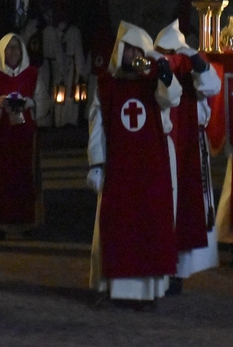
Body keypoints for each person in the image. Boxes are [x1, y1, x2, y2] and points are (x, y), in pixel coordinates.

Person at [86, 21, 182, 309]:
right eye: (126, 49)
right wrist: (96, 163)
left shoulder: (154, 82)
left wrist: (164, 73)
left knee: (148, 229)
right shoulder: (107, 84)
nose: (130, 55)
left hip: (150, 168)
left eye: (136, 50)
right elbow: (97, 125)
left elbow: (172, 98)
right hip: (118, 167)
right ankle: (112, 287)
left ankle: (146, 292)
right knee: (115, 227)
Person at [154, 20, 221, 294]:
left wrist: (193, 59)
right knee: (164, 206)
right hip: (164, 143)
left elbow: (212, 86)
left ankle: (179, 271)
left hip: (191, 144)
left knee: (187, 206)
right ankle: (161, 268)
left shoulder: (194, 67)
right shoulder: (156, 66)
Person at [0, 34, 49, 239]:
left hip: (25, 136)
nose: (13, 52)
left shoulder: (32, 75)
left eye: (16, 47)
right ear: (2, 52)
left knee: (25, 178)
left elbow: (43, 103)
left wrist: (30, 104)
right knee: (0, 180)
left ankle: (26, 223)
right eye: (9, 48)